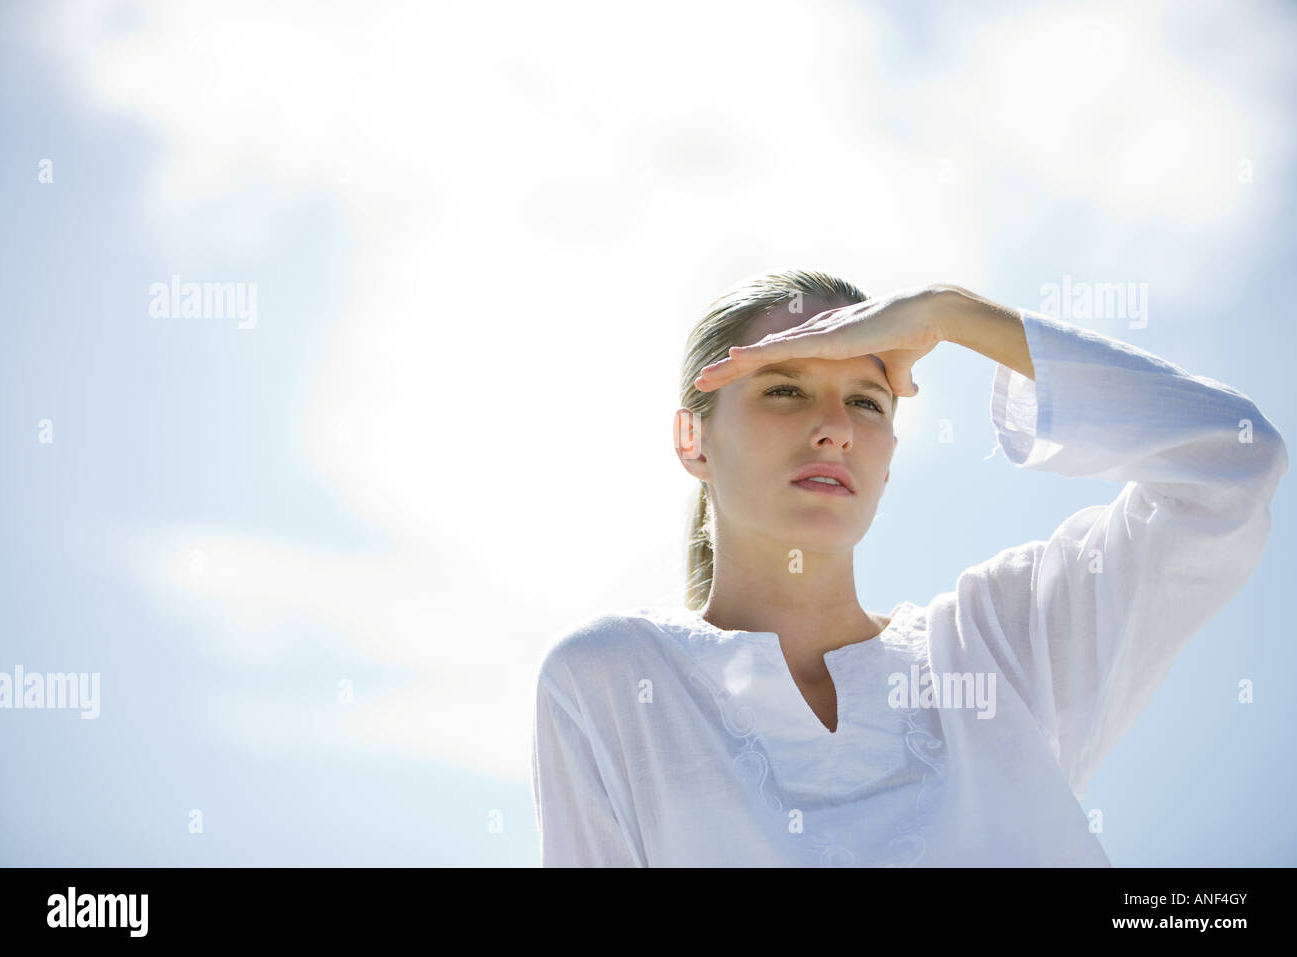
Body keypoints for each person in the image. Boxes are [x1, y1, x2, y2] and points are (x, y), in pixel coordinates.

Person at [529, 268, 1287, 866]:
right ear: (693, 440)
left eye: (867, 402)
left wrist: (951, 314)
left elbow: (1234, 460)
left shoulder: (999, 649)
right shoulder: (613, 681)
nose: (833, 429)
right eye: (786, 388)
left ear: (890, 459)